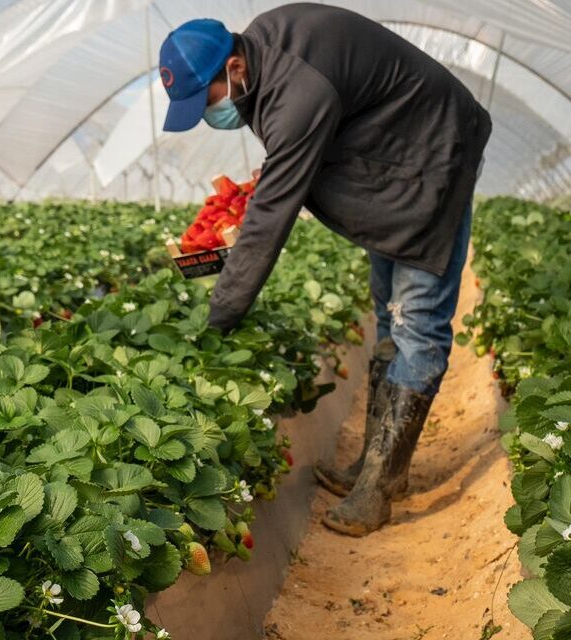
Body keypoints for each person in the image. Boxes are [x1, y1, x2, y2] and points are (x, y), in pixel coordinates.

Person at [158, 4, 491, 535]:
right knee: (390, 316)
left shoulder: (296, 91)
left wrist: (219, 317)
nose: (207, 114)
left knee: (417, 324)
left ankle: (377, 492)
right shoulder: (265, 53)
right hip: (389, 164)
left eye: (207, 100)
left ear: (234, 69)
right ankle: (378, 467)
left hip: (431, 158)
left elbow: (270, 222)